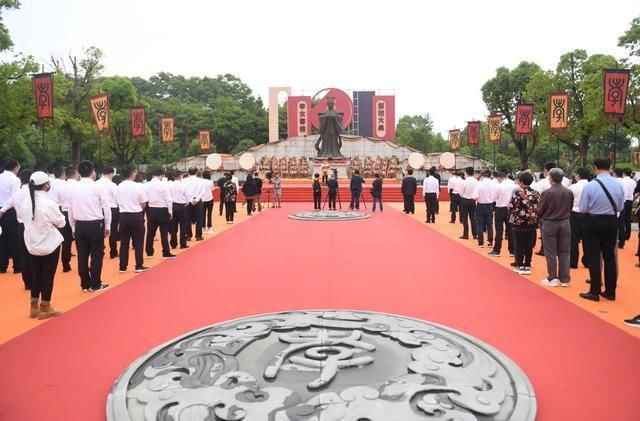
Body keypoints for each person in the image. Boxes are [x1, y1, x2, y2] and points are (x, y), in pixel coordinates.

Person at [19, 171, 66, 319]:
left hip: (32, 244)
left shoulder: (25, 202)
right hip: (49, 245)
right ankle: (45, 306)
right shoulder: (49, 203)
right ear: (46, 185)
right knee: (48, 276)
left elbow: (21, 218)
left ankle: (33, 306)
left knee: (36, 275)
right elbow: (62, 222)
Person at [578, 157, 625, 302]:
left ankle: (595, 291)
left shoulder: (590, 186)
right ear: (610, 167)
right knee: (609, 256)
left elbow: (583, 208)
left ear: (595, 168)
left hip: (593, 221)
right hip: (611, 221)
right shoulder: (618, 185)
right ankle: (610, 291)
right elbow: (620, 207)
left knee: (594, 256)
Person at [68, 160, 111, 292]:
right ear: (93, 172)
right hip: (95, 224)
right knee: (97, 254)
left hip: (80, 225)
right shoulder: (98, 186)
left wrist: (73, 227)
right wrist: (108, 225)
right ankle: (96, 283)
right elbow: (106, 207)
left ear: (79, 173)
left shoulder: (73, 187)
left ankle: (85, 284)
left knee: (82, 255)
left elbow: (70, 209)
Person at [538, 168, 574, 287]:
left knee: (551, 251)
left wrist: (542, 218)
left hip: (550, 222)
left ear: (550, 178)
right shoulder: (568, 192)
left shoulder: (547, 192)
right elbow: (570, 207)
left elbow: (540, 209)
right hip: (565, 222)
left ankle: (552, 277)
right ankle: (565, 278)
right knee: (564, 251)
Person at [116, 166, 150, 273]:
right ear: (131, 174)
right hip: (136, 215)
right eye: (134, 173)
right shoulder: (138, 186)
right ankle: (138, 265)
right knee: (139, 241)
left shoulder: (118, 187)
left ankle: (122, 266)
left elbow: (116, 201)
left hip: (123, 215)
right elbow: (143, 202)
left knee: (124, 242)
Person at [3, 169, 33, 289]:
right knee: (35, 254)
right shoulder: (34, 193)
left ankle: (27, 283)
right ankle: (36, 280)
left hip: (20, 226)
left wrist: (2, 210)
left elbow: (9, 203)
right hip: (32, 225)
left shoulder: (16, 194)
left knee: (24, 255)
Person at [508, 171, 540, 275]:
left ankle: (519, 264)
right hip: (531, 222)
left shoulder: (517, 192)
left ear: (521, 182)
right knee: (529, 244)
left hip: (519, 221)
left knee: (519, 243)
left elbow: (511, 206)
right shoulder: (536, 193)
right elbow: (539, 207)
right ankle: (527, 265)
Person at [144, 168, 175, 260]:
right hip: (162, 210)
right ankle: (165, 252)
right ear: (162, 175)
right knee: (164, 233)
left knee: (150, 232)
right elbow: (168, 199)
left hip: (151, 210)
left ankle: (149, 252)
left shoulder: (146, 185)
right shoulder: (163, 185)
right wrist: (170, 211)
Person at [0, 159, 22, 274]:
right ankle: (17, 266)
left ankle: (2, 266)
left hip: (1, 210)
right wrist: (3, 210)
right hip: (10, 211)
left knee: (1, 239)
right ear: (16, 167)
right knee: (14, 239)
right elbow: (14, 198)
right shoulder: (15, 180)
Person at [489, 172, 515, 257]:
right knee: (511, 230)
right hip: (510, 209)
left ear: (499, 178)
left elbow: (493, 198)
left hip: (500, 209)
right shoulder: (513, 184)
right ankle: (512, 251)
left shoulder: (498, 186)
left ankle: (497, 250)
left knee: (499, 230)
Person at [569, 168, 590, 269]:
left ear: (578, 175)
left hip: (574, 214)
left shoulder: (573, 187)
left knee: (573, 239)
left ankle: (573, 262)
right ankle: (587, 261)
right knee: (587, 239)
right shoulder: (592, 186)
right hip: (588, 215)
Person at [96, 166, 119, 260]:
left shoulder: (96, 183)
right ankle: (113, 252)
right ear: (111, 174)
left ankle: (100, 251)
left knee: (100, 231)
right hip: (112, 208)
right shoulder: (112, 185)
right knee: (113, 231)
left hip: (99, 209)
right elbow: (117, 198)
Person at [472, 170, 495, 248]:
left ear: (482, 176)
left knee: (479, 224)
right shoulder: (493, 184)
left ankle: (481, 242)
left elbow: (474, 196)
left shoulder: (479, 184)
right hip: (490, 205)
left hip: (480, 205)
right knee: (489, 224)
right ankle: (490, 242)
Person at [183, 167, 205, 241]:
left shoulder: (184, 181)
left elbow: (184, 191)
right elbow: (202, 191)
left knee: (187, 218)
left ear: (188, 172)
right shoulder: (201, 181)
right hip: (198, 201)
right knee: (199, 218)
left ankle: (188, 235)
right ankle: (198, 235)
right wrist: (197, 199)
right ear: (196, 172)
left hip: (188, 201)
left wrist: (190, 199)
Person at [169, 171, 189, 250]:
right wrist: (186, 203)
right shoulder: (184, 186)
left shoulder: (170, 186)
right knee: (183, 226)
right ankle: (183, 243)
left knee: (173, 225)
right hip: (182, 206)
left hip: (173, 205)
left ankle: (173, 243)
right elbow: (187, 197)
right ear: (180, 176)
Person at [459, 166, 478, 240]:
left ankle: (466, 234)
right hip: (473, 201)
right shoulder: (476, 181)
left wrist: (464, 196)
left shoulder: (464, 181)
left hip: (465, 200)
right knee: (473, 218)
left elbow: (460, 193)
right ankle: (475, 234)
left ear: (466, 173)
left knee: (465, 218)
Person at [621, 168, 636, 247]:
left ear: (623, 173)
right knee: (628, 218)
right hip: (630, 200)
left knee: (622, 219)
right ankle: (628, 234)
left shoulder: (622, 181)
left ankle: (622, 235)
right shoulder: (633, 182)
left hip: (624, 200)